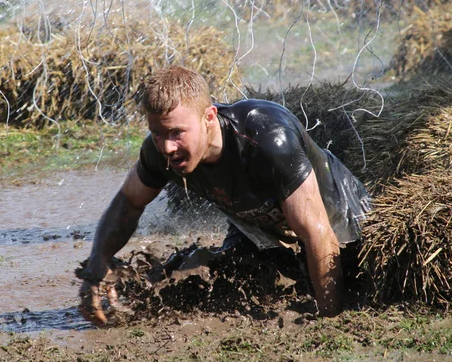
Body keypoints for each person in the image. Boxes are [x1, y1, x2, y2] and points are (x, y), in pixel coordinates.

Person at [76, 65, 370, 325]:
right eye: (157, 133)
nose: (166, 148)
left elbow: (318, 233)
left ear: (209, 117)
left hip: (342, 223)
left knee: (361, 279)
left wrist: (330, 321)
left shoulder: (267, 138)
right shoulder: (159, 152)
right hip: (258, 225)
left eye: (177, 133)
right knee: (211, 284)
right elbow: (128, 203)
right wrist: (96, 265)